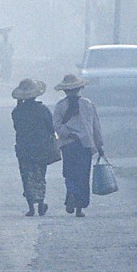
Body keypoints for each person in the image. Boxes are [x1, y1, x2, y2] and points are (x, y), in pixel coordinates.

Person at [53, 73, 104, 217]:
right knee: (83, 175)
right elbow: (95, 126)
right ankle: (79, 207)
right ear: (80, 88)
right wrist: (99, 145)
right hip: (85, 146)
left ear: (64, 90)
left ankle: (72, 195)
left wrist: (67, 134)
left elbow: (56, 125)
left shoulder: (60, 106)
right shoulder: (88, 104)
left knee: (69, 173)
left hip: (68, 145)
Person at [11, 77, 55, 217]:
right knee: (40, 175)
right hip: (41, 147)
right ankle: (41, 203)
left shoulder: (17, 111)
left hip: (24, 148)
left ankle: (31, 207)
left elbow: (17, 127)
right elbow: (51, 127)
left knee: (26, 175)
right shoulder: (42, 109)